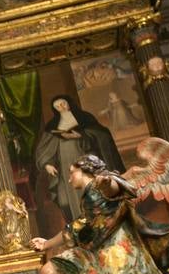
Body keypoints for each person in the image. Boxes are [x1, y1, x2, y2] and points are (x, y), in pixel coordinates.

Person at [29, 155, 169, 274]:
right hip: (97, 251)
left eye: (72, 172)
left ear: (86, 169)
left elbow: (115, 189)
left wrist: (108, 184)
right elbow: (76, 227)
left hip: (117, 250)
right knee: (52, 268)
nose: (69, 178)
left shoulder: (101, 184)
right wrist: (47, 243)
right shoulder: (88, 198)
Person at [34, 96, 123, 225]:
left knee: (92, 193)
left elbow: (102, 135)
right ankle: (81, 224)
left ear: (69, 103)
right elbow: (44, 148)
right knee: (65, 200)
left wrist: (82, 135)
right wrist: (46, 164)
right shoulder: (52, 125)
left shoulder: (85, 118)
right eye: (57, 106)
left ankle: (101, 222)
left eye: (63, 104)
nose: (61, 108)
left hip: (86, 164)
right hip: (66, 168)